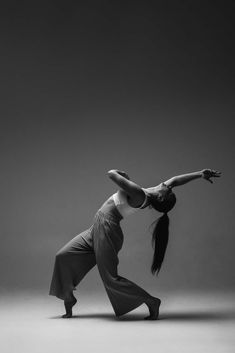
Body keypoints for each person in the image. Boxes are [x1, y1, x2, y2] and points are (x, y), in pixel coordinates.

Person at [49, 168, 221, 320]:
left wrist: (121, 175)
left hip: (107, 230)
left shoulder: (140, 194)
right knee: (63, 256)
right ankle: (68, 296)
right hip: (97, 227)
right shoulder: (155, 191)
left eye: (167, 189)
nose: (167, 185)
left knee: (110, 278)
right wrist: (200, 174)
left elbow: (111, 174)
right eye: (168, 187)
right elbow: (176, 179)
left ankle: (152, 301)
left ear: (161, 197)